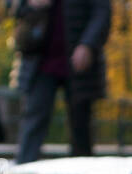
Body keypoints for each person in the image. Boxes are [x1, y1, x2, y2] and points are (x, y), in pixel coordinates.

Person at [12, 0, 111, 164]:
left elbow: (102, 12)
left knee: (81, 127)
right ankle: (22, 171)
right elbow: (15, 9)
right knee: (33, 120)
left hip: (79, 63)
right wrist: (31, 5)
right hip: (40, 60)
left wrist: (88, 44)